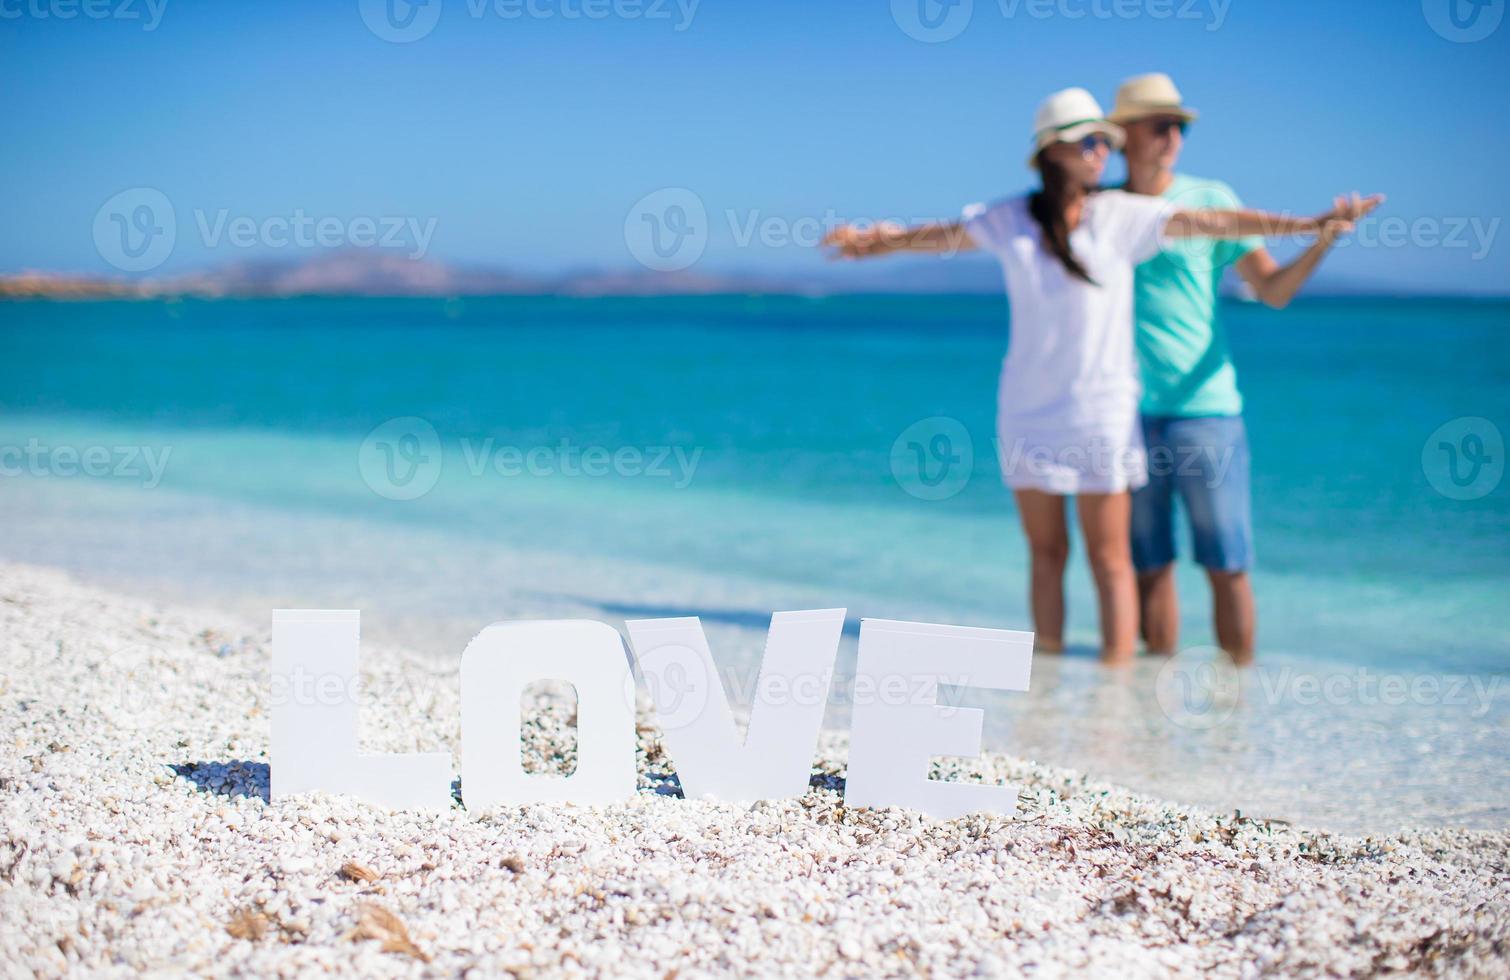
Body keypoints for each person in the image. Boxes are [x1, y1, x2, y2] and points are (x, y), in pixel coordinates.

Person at [822, 87, 1380, 664]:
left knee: (1161, 562)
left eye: (1105, 142)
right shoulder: (1023, 216)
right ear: (1053, 149)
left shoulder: (1124, 215)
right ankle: (1067, 687)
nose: (1102, 152)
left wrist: (1309, 225)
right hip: (1055, 410)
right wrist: (876, 243)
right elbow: (944, 236)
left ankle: (1169, 709)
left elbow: (1215, 226)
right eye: (1091, 141)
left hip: (1139, 411)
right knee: (1081, 558)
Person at [1109, 73, 1370, 665]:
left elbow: (1273, 290)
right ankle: (1153, 713)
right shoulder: (1105, 209)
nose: (1174, 136)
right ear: (1124, 134)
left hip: (1208, 414)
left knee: (1227, 565)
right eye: (1160, 125)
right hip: (1125, 414)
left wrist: (1321, 239)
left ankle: (1238, 715)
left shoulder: (1211, 199)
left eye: (1180, 126)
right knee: (1149, 565)